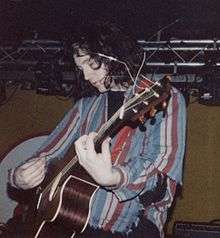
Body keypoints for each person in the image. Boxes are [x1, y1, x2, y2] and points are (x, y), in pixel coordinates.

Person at [4, 21, 186, 238]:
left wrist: (114, 177)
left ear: (115, 55)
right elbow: (45, 154)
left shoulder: (164, 97)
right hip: (70, 224)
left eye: (92, 64)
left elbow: (161, 180)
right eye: (81, 69)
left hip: (130, 227)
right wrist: (18, 177)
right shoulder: (85, 107)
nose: (87, 76)